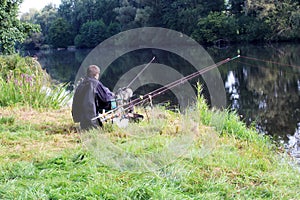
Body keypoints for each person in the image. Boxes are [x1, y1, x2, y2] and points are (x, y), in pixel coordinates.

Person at [72, 65, 115, 130]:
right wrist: (112, 95)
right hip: (91, 118)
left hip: (79, 116)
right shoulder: (95, 83)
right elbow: (105, 98)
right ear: (96, 75)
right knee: (111, 102)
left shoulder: (81, 84)